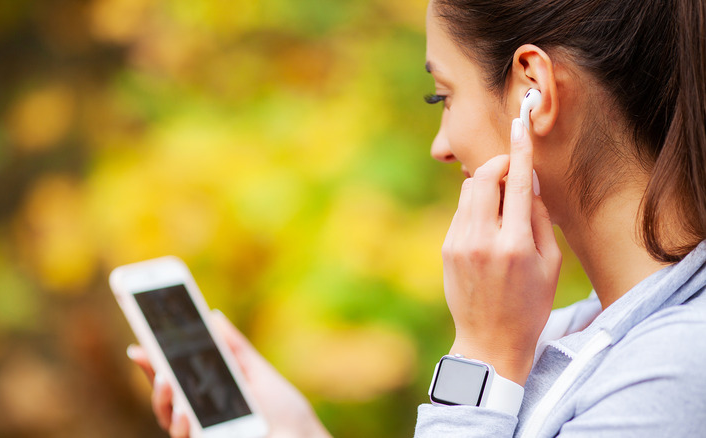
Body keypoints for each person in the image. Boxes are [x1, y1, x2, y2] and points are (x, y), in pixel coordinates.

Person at [128, 0, 706, 436]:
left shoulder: (675, 366)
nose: (441, 145)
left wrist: (481, 356)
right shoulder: (572, 331)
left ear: (535, 92)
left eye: (443, 96)